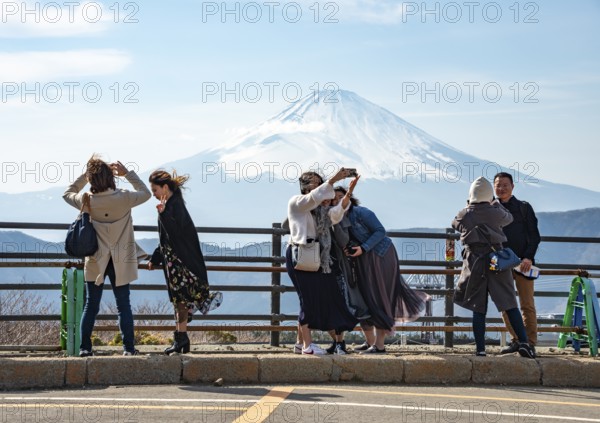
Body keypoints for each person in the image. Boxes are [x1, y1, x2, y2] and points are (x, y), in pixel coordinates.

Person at [63, 156, 151, 357]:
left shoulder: (87, 200)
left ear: (93, 180)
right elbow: (146, 193)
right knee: (123, 306)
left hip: (96, 259)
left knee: (91, 305)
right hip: (121, 260)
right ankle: (128, 348)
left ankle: (85, 348)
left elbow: (67, 193)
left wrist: (85, 178)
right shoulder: (125, 198)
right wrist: (127, 173)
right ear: (111, 177)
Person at [341, 180, 429, 354]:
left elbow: (380, 231)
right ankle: (371, 342)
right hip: (364, 260)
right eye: (333, 199)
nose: (338, 202)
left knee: (380, 297)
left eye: (341, 197)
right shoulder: (338, 219)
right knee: (365, 298)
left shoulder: (361, 213)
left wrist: (363, 248)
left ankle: (379, 346)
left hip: (381, 256)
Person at [452, 176, 535, 358]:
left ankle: (480, 349)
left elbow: (455, 224)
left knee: (478, 307)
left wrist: (469, 207)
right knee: (509, 304)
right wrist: (495, 204)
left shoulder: (465, 213)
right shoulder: (496, 212)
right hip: (497, 260)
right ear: (489, 194)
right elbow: (508, 218)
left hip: (475, 263)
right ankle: (524, 343)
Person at [148, 170, 222, 355]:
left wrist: (163, 214)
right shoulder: (171, 205)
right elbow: (166, 238)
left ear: (165, 187)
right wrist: (155, 258)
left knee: (181, 301)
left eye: (154, 189)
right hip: (177, 263)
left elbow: (175, 235)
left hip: (182, 265)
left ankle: (181, 340)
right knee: (179, 301)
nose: (153, 194)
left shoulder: (175, 207)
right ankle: (182, 340)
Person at [286, 169, 359, 355]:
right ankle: (307, 347)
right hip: (300, 255)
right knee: (307, 299)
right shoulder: (297, 202)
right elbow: (313, 198)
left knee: (311, 297)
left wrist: (349, 193)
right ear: (304, 186)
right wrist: (334, 179)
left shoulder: (319, 209)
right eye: (314, 183)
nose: (319, 186)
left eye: (320, 182)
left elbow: (335, 214)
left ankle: (299, 343)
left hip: (317, 256)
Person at [493, 172, 541, 355]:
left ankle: (530, 342)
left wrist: (528, 257)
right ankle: (516, 340)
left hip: (524, 264)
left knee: (527, 304)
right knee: (505, 304)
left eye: (505, 184)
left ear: (513, 186)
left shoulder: (523, 207)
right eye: (498, 185)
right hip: (501, 264)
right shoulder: (491, 208)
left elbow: (534, 236)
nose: (501, 188)